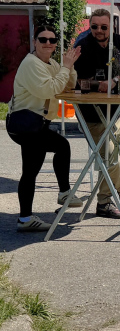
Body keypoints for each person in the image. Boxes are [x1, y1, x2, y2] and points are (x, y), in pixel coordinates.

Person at [7, 26, 83, 232]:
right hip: (25, 124)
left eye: (52, 40)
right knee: (61, 146)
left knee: (31, 170)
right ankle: (64, 193)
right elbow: (50, 89)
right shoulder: (31, 63)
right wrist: (65, 68)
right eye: (43, 39)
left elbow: (67, 86)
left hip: (36, 124)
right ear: (34, 42)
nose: (48, 43)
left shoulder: (52, 64)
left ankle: (25, 218)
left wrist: (69, 67)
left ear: (56, 43)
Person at [74, 9, 120, 219]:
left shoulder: (119, 42)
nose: (99, 31)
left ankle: (103, 203)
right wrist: (97, 84)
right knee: (108, 156)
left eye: (104, 27)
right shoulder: (83, 46)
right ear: (90, 26)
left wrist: (114, 81)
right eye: (94, 27)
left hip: (116, 110)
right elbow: (78, 82)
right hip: (92, 113)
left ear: (111, 27)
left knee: (109, 156)